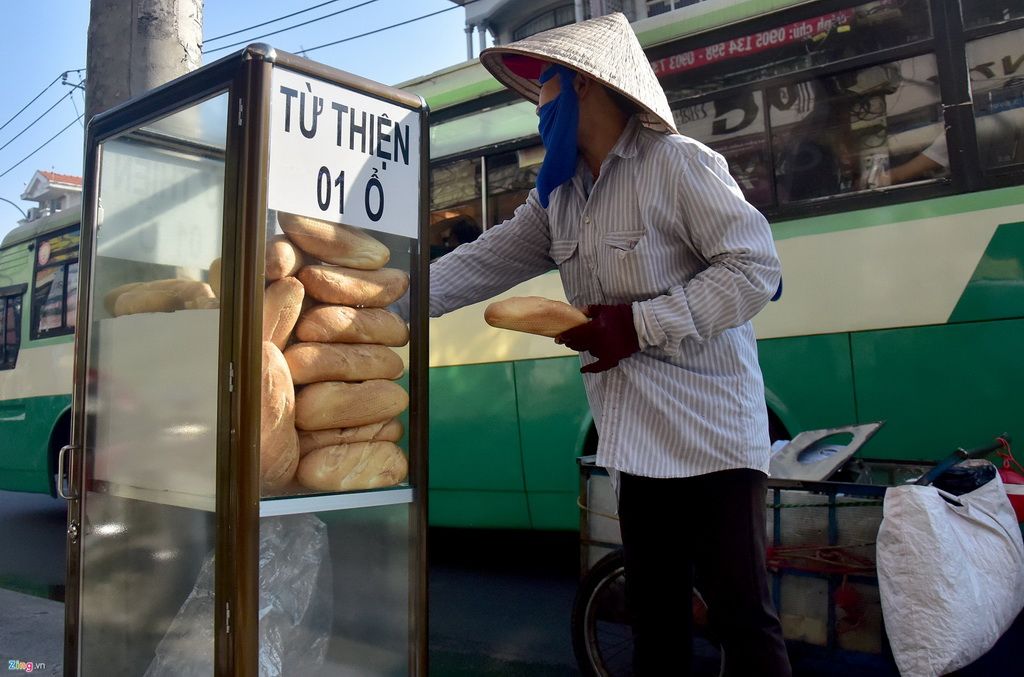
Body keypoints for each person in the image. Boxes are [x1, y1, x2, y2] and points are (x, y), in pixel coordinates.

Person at [428, 13, 790, 676]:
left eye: (544, 88)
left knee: (742, 619)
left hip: (712, 438)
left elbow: (754, 270)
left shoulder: (679, 164)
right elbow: (475, 264)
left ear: (584, 87)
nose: (536, 109)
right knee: (655, 623)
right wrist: (369, 300)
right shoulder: (558, 200)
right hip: (636, 442)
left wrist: (635, 325)